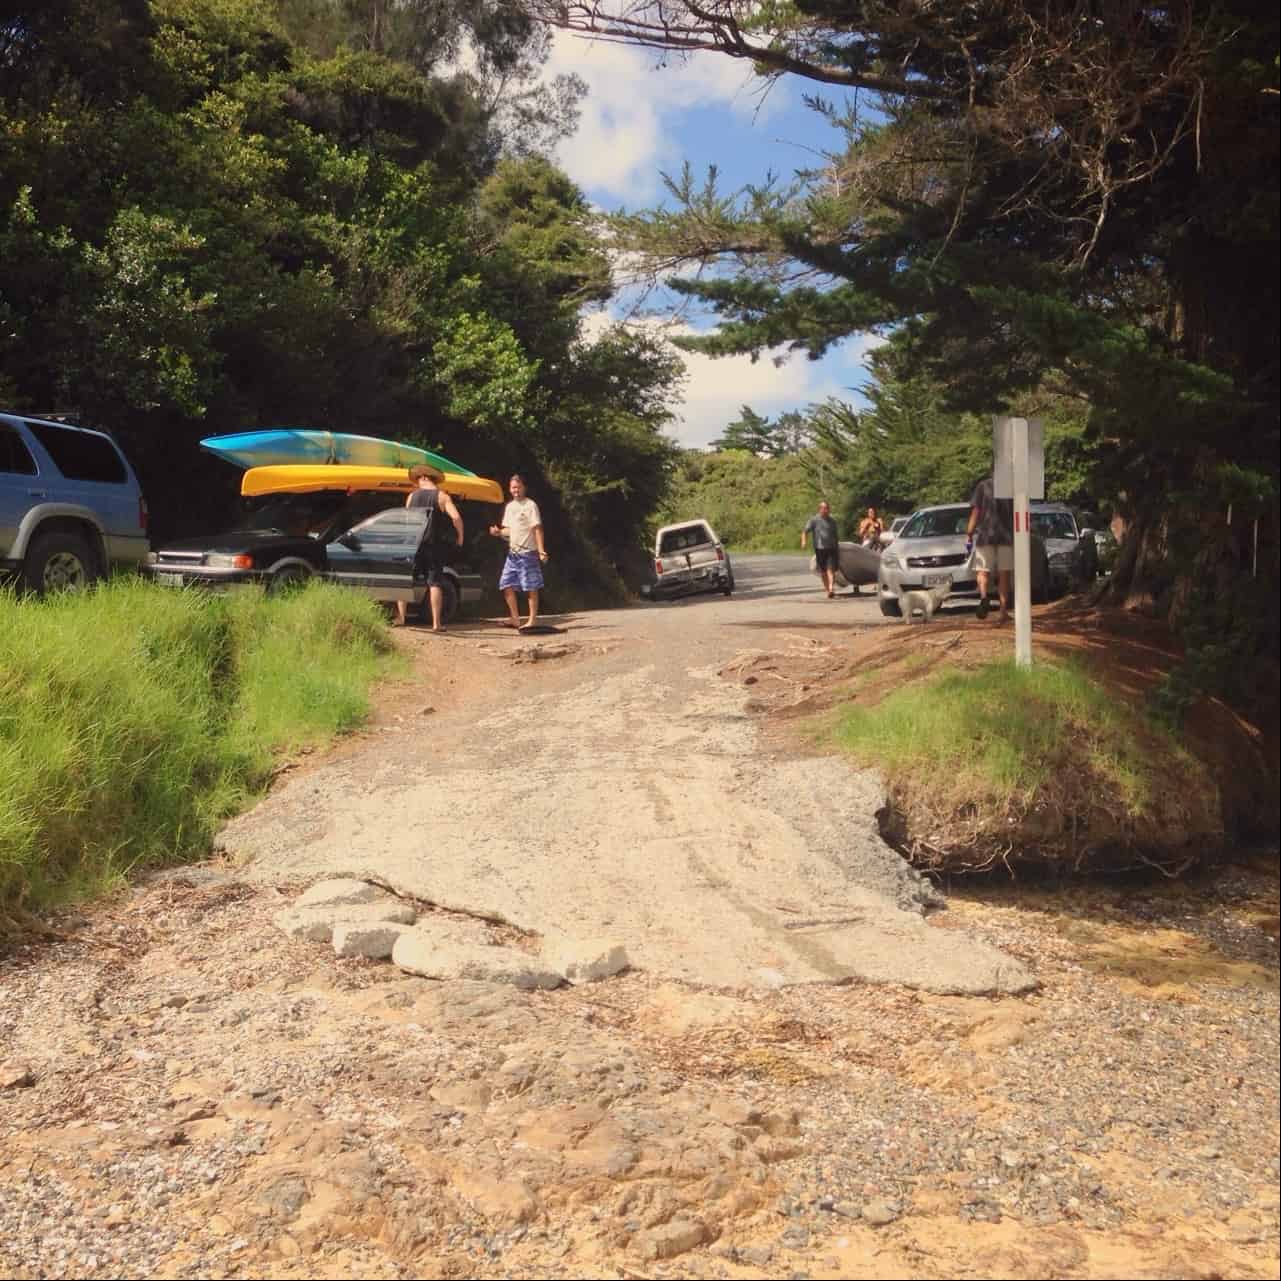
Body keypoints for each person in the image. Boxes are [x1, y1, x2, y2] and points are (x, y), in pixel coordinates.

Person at [398, 464, 464, 631]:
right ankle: (436, 624)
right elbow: (456, 518)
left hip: (413, 545)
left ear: (424, 478)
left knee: (405, 580)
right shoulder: (442, 496)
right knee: (435, 583)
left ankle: (401, 618)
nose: (417, 483)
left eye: (418, 479)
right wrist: (460, 536)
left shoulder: (411, 497)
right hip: (433, 546)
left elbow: (406, 522)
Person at [489, 473, 548, 629]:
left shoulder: (530, 505)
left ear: (524, 487)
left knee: (531, 587)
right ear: (510, 489)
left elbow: (537, 528)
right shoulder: (510, 507)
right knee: (505, 584)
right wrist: (498, 532)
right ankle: (515, 618)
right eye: (513, 487)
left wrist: (541, 550)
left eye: (518, 487)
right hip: (512, 554)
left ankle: (532, 620)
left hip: (528, 553)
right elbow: (508, 530)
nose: (515, 490)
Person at [966, 475, 1013, 624]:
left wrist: (969, 532)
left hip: (985, 535)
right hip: (1005, 536)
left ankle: (984, 596)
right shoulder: (1011, 486)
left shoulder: (982, 486)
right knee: (1004, 574)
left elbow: (976, 511)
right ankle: (1003, 611)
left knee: (982, 571)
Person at [802, 500, 840, 598]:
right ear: (820, 509)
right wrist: (804, 541)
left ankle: (831, 588)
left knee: (830, 569)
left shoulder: (832, 521)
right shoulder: (814, 520)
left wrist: (837, 546)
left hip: (831, 548)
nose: (826, 510)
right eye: (824, 508)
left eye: (827, 508)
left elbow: (835, 535)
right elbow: (805, 531)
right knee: (823, 571)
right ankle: (828, 590)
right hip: (820, 549)